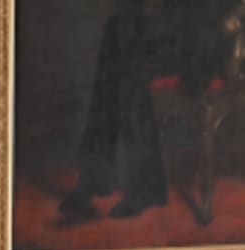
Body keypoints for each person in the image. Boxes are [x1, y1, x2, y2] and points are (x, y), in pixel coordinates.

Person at [60, 1, 234, 220]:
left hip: (203, 43)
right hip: (178, 31)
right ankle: (110, 178)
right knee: (117, 32)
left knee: (126, 60)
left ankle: (112, 180)